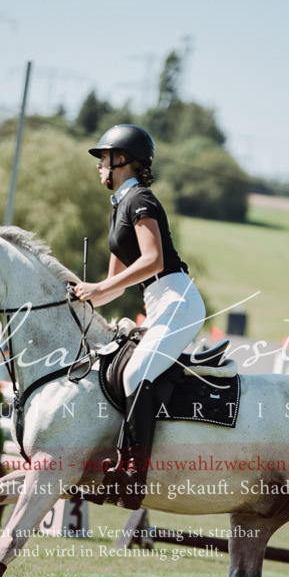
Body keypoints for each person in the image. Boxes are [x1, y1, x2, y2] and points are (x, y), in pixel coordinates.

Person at [74, 123, 206, 508]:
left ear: (123, 160)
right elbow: (114, 284)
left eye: (104, 159)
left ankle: (133, 473)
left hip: (177, 300)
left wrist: (99, 289)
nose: (100, 166)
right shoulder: (119, 208)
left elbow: (153, 260)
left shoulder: (140, 199)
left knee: (134, 372)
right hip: (157, 302)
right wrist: (84, 296)